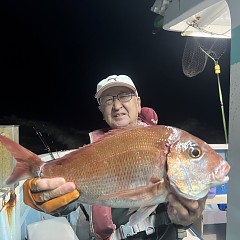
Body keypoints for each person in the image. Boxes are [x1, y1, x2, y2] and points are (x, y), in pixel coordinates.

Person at [23, 74, 207, 240]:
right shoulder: (90, 153)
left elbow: (185, 212)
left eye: (124, 96)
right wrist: (49, 200)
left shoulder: (163, 143)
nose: (117, 106)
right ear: (101, 110)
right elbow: (71, 200)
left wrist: (190, 212)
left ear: (138, 103)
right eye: (108, 100)